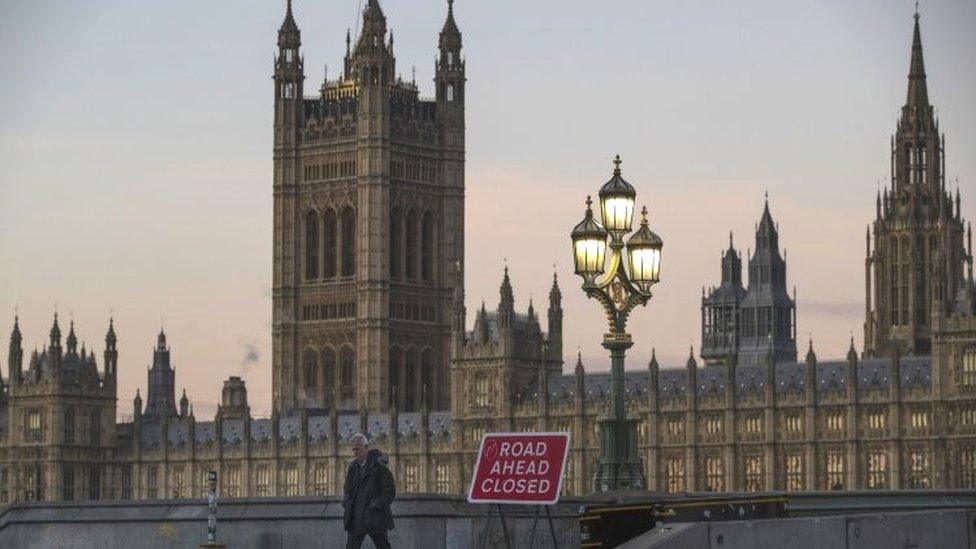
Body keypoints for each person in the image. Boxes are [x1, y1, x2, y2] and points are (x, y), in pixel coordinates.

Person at [343, 433, 395, 549]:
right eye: (353, 449)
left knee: (383, 546)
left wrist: (375, 504)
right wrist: (347, 503)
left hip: (375, 516)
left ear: (366, 447)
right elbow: (347, 489)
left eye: (358, 449)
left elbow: (390, 491)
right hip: (356, 517)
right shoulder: (352, 467)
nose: (355, 453)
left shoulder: (379, 466)